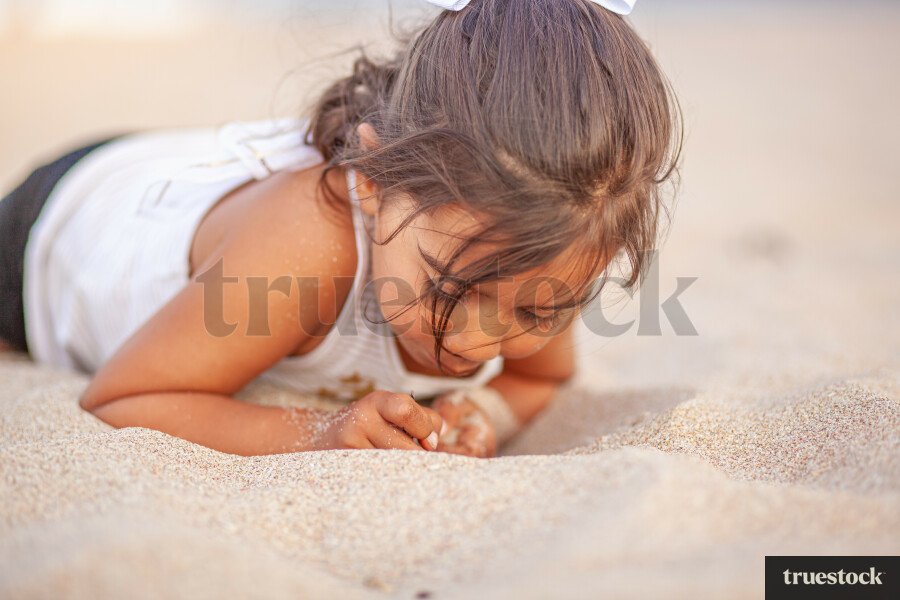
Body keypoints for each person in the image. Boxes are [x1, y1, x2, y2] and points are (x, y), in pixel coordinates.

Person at [0, 0, 679, 458]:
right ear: (372, 180)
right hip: (55, 232)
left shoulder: (542, 236)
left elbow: (538, 382)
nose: (475, 342)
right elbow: (122, 398)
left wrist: (483, 414)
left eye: (537, 308)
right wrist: (321, 433)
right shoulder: (308, 244)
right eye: (447, 287)